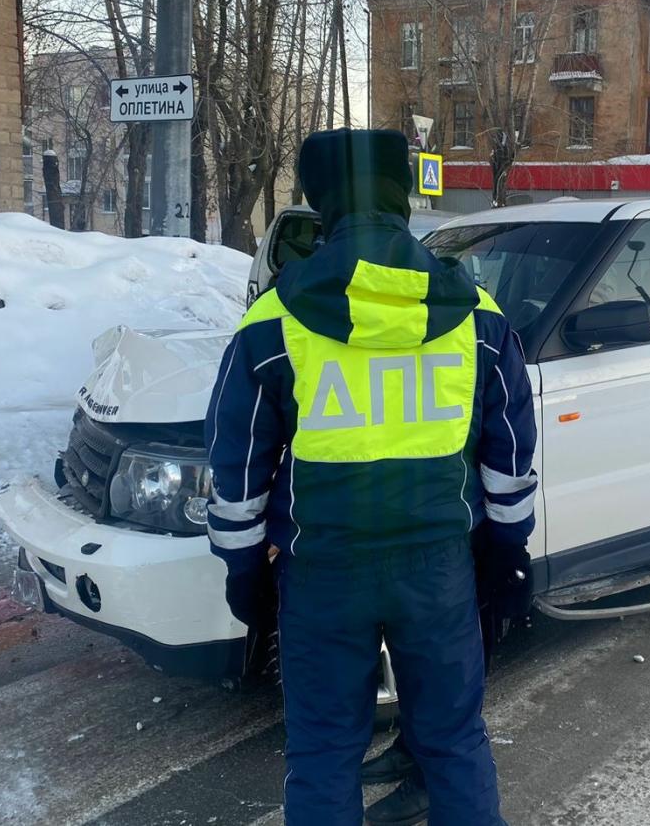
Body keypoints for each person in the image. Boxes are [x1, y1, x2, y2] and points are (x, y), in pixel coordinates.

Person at [204, 128, 538, 826]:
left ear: (319, 203)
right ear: (405, 196)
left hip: (322, 570)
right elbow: (510, 448)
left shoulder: (271, 321)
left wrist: (241, 568)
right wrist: (508, 548)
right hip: (440, 569)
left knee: (325, 751)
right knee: (452, 740)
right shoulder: (478, 316)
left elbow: (236, 467)